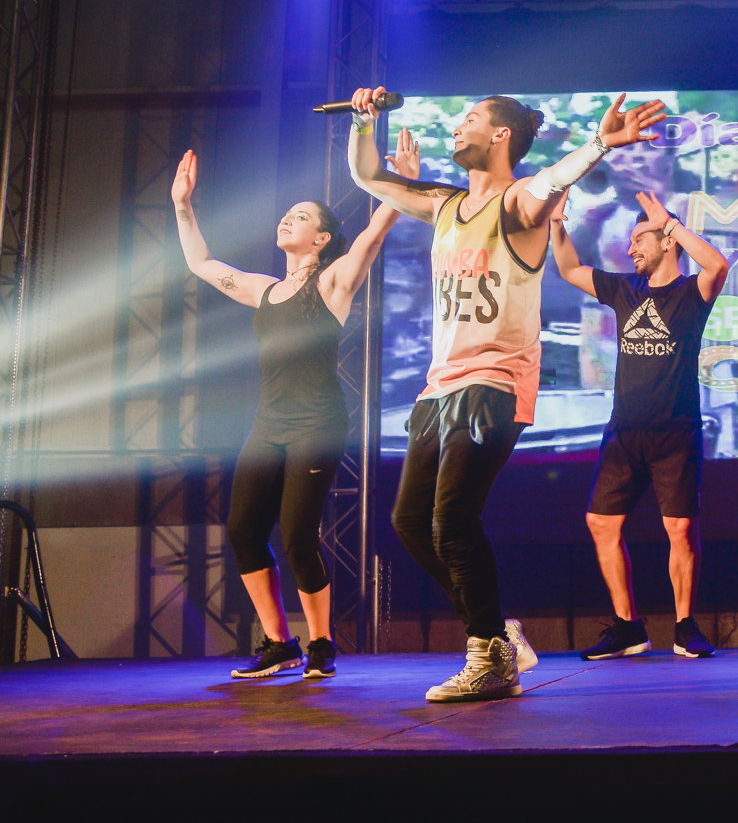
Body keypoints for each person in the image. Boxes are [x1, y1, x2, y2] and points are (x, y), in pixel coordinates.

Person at [348, 85, 666, 702]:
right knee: (410, 522)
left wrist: (599, 143)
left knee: (452, 518)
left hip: (496, 380)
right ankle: (495, 630)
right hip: (440, 385)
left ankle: (489, 655)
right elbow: (370, 177)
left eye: (468, 118)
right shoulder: (444, 204)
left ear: (499, 135)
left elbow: (550, 182)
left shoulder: (519, 205)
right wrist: (363, 122)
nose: (456, 126)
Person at [171, 135, 416, 679]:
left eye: (300, 216)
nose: (287, 219)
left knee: (298, 534)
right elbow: (201, 263)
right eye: (287, 213)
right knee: (242, 530)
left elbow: (374, 234)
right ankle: (280, 643)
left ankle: (322, 642)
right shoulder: (262, 289)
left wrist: (398, 183)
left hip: (317, 422)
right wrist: (183, 206)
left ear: (321, 238)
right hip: (270, 423)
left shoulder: (332, 282)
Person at [551, 188, 730, 660]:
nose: (631, 248)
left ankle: (685, 627)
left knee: (680, 530)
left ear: (667, 242)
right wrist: (556, 225)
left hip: (676, 432)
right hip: (624, 433)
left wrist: (670, 223)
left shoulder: (690, 293)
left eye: (639, 240)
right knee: (600, 522)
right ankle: (628, 627)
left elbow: (717, 265)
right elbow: (569, 269)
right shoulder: (625, 290)